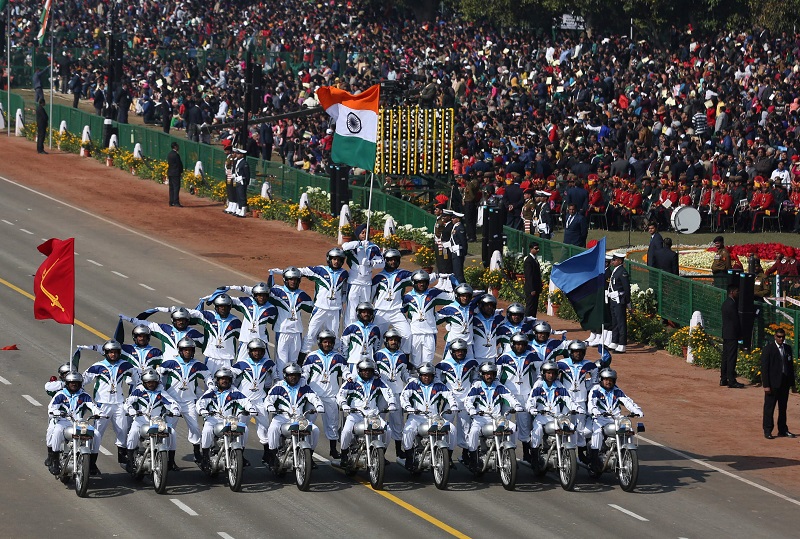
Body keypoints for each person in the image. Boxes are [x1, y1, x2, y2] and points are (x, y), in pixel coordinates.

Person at [82, 339, 135, 474]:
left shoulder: (125, 365)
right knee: (97, 433)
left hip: (119, 404)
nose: (113, 355)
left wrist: (137, 390)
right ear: (106, 353)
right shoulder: (97, 366)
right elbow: (83, 380)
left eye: (115, 352)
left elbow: (138, 376)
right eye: (110, 352)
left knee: (123, 430)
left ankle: (123, 459)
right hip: (102, 404)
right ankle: (92, 463)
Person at [158, 337, 210, 465]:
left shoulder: (197, 365)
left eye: (190, 350)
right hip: (173, 402)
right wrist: (160, 389)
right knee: (170, 430)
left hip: (189, 402)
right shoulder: (170, 362)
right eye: (185, 350)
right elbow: (158, 374)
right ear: (180, 351)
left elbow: (208, 376)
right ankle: (170, 459)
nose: (187, 352)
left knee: (195, 428)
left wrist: (211, 386)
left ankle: (197, 453)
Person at [336, 359, 396, 465]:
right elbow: (340, 394)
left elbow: (389, 392)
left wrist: (392, 403)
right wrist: (344, 404)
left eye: (369, 370)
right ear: (359, 370)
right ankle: (344, 455)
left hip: (372, 415)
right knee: (346, 431)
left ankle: (381, 454)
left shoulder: (378, 381)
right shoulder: (352, 381)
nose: (366, 372)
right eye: (364, 370)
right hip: (355, 414)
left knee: (388, 431)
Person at [463, 362, 523, 467]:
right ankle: (473, 458)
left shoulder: (499, 386)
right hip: (480, 418)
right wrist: (472, 410)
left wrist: (517, 405)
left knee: (513, 427)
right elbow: (468, 400)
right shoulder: (477, 386)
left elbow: (509, 396)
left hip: (497, 418)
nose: (489, 376)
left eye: (491, 374)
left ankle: (511, 454)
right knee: (473, 431)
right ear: (482, 374)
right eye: (486, 374)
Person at [264, 363, 325, 467]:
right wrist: (270, 407)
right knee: (273, 429)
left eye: (296, 375)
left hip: (299, 418)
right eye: (291, 375)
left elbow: (314, 397)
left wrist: (319, 406)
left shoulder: (304, 387)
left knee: (315, 430)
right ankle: (273, 456)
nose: (293, 377)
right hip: (282, 417)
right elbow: (268, 400)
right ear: (285, 375)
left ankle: (309, 456)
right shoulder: (278, 387)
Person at [400, 362, 458, 468]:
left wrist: (453, 406)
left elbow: (450, 395)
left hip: (434, 417)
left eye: (429, 375)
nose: (427, 377)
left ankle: (448, 457)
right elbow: (403, 397)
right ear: (420, 375)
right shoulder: (412, 384)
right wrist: (409, 408)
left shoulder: (439, 385)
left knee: (452, 429)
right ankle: (409, 458)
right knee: (408, 431)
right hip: (416, 416)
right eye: (424, 375)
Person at [196, 367, 256, 470]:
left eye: (227, 379)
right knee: (207, 430)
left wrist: (251, 409)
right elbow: (200, 403)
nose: (224, 381)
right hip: (213, 420)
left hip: (229, 420)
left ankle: (240, 454)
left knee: (244, 429)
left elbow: (246, 402)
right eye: (222, 379)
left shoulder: (235, 393)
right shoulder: (211, 392)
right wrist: (202, 410)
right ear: (217, 380)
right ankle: (205, 457)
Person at [303, 330, 350, 459]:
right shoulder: (311, 356)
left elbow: (345, 371)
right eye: (325, 342)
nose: (327, 344)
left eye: (330, 342)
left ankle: (333, 449)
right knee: (308, 424)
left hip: (331, 395)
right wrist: (302, 381)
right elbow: (305, 373)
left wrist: (348, 377)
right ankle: (307, 453)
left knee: (332, 424)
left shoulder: (338, 357)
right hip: (314, 396)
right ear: (319, 342)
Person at [297, 248, 349, 361]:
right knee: (310, 335)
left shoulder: (344, 274)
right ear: (329, 259)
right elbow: (301, 271)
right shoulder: (320, 270)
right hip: (320, 309)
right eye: (334, 259)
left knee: (333, 337)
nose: (336, 262)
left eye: (339, 260)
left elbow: (345, 290)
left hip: (335, 310)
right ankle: (301, 363)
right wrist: (285, 272)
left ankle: (334, 363)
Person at [497, 333, 542, 462]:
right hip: (508, 395)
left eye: (522, 344)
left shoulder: (532, 355)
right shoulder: (504, 357)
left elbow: (540, 372)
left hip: (525, 394)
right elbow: (497, 376)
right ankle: (502, 450)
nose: (520, 346)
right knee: (503, 423)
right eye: (517, 343)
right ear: (512, 344)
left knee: (525, 425)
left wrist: (536, 386)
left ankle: (527, 453)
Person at [124, 369, 180, 472]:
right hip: (140, 420)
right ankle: (130, 460)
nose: (151, 384)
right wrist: (131, 410)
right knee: (132, 433)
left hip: (156, 421)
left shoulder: (161, 392)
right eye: (148, 382)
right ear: (144, 382)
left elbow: (172, 403)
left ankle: (171, 461)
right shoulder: (139, 391)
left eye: (153, 382)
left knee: (172, 432)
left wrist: (175, 410)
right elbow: (128, 402)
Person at [46, 371, 102, 476]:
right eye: (71, 382)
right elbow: (52, 408)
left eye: (76, 382)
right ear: (67, 383)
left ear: (80, 383)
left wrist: (99, 413)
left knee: (97, 434)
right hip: (63, 421)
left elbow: (92, 406)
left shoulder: (84, 395)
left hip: (79, 422)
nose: (74, 384)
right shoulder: (60, 395)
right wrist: (57, 412)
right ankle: (55, 461)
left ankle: (92, 463)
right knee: (57, 431)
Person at [230, 339, 276, 463]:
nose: (257, 353)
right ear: (249, 351)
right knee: (240, 428)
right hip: (243, 402)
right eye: (254, 351)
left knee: (265, 427)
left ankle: (267, 454)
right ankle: (239, 455)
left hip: (260, 401)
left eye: (260, 351)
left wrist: (272, 391)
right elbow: (231, 377)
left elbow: (276, 378)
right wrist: (234, 393)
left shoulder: (269, 363)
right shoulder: (241, 364)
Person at [587, 368, 643, 471]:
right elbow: (591, 403)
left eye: (611, 380)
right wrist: (595, 411)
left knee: (628, 429)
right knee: (597, 432)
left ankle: (625, 452)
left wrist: (637, 410)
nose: (608, 382)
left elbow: (627, 401)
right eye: (606, 379)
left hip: (616, 419)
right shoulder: (595, 390)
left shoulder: (617, 391)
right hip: (600, 419)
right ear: (601, 379)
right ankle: (595, 458)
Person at [527, 361, 577, 465]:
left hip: (557, 417)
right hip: (542, 417)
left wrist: (576, 408)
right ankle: (535, 457)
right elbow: (530, 401)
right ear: (543, 373)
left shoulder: (559, 386)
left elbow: (569, 399)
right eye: (548, 373)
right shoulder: (538, 385)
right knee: (538, 429)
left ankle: (570, 456)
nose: (551, 375)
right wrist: (532, 409)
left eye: (553, 373)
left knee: (572, 428)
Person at [403, 270, 455, 367]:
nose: (422, 284)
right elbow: (400, 311)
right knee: (416, 364)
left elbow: (453, 297)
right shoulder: (407, 297)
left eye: (424, 282)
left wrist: (453, 280)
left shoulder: (433, 293)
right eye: (419, 282)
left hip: (430, 333)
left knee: (428, 365)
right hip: (414, 333)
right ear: (414, 282)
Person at [374, 328, 412, 459]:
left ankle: (398, 449)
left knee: (398, 423)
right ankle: (379, 452)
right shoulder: (378, 354)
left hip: (397, 392)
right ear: (386, 341)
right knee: (379, 422)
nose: (394, 342)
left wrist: (410, 379)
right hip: (382, 393)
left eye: (396, 340)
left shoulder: (402, 356)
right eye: (391, 340)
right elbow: (373, 371)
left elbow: (404, 373)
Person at [266, 267, 313, 374]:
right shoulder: (277, 292)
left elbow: (312, 308)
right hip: (282, 331)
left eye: (296, 279)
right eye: (290, 279)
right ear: (285, 280)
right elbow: (267, 291)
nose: (293, 282)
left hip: (297, 332)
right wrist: (272, 274)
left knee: (294, 363)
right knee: (281, 363)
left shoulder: (302, 295)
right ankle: (279, 387)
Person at [556, 340, 598, 459]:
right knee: (565, 425)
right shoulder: (562, 363)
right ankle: (564, 451)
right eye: (575, 352)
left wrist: (586, 386)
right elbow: (554, 377)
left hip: (581, 399)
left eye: (580, 352)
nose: (578, 354)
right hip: (565, 400)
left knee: (580, 427)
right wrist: (560, 388)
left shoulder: (589, 364)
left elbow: (595, 377)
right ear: (570, 352)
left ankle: (581, 452)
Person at [119, 306, 205, 362]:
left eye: (183, 320)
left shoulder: (193, 333)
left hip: (186, 367)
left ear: (187, 320)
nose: (181, 322)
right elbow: (147, 324)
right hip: (167, 368)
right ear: (173, 320)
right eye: (178, 320)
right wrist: (130, 319)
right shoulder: (165, 329)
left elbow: (208, 342)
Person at [371, 249, 413, 354]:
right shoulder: (378, 278)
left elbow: (419, 278)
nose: (393, 262)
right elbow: (370, 297)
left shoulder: (403, 274)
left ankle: (404, 360)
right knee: (376, 338)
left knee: (407, 334)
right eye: (390, 260)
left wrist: (438, 276)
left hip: (396, 311)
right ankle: (373, 362)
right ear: (385, 260)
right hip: (381, 312)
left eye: (395, 260)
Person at [342, 224, 384, 326]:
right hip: (354, 282)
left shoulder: (374, 247)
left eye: (366, 232)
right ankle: (349, 333)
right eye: (362, 232)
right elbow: (344, 247)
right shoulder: (353, 246)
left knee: (365, 309)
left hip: (366, 283)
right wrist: (359, 243)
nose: (364, 235)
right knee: (352, 310)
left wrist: (371, 263)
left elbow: (382, 263)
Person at [188, 294, 242, 374]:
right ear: (216, 307)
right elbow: (190, 315)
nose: (223, 308)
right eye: (220, 306)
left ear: (230, 307)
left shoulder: (235, 322)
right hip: (211, 357)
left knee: (226, 384)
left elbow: (242, 339)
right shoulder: (208, 316)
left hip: (227, 359)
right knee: (210, 383)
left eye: (225, 306)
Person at [761, 328, 796, 439]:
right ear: (775, 337)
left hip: (784, 384)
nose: (781, 339)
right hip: (772, 383)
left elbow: (790, 368)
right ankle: (767, 430)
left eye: (783, 337)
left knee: (783, 408)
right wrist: (766, 385)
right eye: (779, 336)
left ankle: (782, 429)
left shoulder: (787, 348)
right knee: (769, 408)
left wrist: (792, 384)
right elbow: (764, 368)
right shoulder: (768, 349)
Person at [340, 301, 382, 373]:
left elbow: (376, 347)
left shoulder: (375, 329)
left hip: (370, 364)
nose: (366, 314)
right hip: (354, 363)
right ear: (359, 313)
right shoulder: (351, 327)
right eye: (364, 312)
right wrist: (346, 361)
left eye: (368, 312)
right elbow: (344, 346)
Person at [721, 283, 745, 388]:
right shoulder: (732, 304)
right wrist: (740, 333)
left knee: (725, 357)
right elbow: (735, 321)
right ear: (732, 292)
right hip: (732, 334)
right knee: (731, 357)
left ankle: (723, 378)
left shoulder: (725, 303)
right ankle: (731, 380)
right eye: (737, 291)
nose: (738, 293)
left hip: (726, 333)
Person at [607, 251, 631, 353]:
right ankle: (615, 341)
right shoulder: (616, 270)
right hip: (613, 299)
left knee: (621, 322)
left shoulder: (623, 272)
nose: (612, 262)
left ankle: (622, 344)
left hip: (619, 300)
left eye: (614, 260)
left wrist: (628, 302)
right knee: (615, 321)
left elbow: (626, 288)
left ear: (620, 261)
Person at [471, 294, 505, 363]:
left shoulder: (498, 319)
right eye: (487, 305)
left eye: (491, 305)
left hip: (492, 357)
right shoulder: (474, 319)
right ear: (481, 306)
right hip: (477, 356)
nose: (489, 307)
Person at [523, 243, 543, 318]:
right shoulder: (528, 261)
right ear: (531, 249)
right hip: (531, 289)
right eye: (536, 248)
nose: (538, 250)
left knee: (534, 308)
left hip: (536, 288)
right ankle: (526, 323)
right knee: (530, 307)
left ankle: (532, 323)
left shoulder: (534, 260)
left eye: (538, 248)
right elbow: (529, 276)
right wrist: (532, 289)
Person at [449, 211, 468, 283]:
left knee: (458, 271)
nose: (452, 219)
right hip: (454, 251)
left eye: (454, 218)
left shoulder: (460, 228)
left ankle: (462, 285)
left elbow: (463, 241)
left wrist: (464, 252)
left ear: (458, 219)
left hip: (458, 252)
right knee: (456, 271)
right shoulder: (456, 227)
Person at [232, 147, 250, 218]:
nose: (237, 155)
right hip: (237, 181)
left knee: (242, 196)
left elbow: (247, 174)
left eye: (239, 154)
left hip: (242, 182)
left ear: (242, 155)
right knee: (238, 196)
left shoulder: (244, 163)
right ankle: (239, 209)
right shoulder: (238, 162)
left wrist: (247, 183)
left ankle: (243, 211)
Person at [167, 142, 183, 207]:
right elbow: (179, 164)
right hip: (175, 173)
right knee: (176, 187)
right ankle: (176, 202)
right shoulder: (176, 155)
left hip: (170, 172)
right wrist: (181, 172)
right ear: (175, 147)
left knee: (171, 188)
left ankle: (171, 201)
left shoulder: (169, 154)